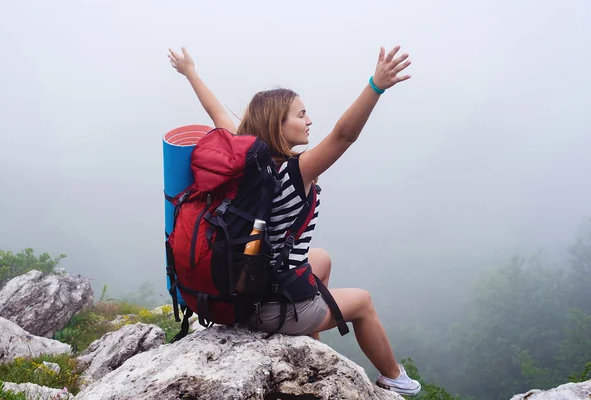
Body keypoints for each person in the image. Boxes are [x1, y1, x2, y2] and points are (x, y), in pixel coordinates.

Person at [167, 45, 421, 396]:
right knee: (362, 302)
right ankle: (395, 378)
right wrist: (375, 87)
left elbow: (216, 113)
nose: (309, 121)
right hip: (266, 307)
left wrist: (190, 71)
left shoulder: (243, 159)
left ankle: (311, 346)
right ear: (278, 124)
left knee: (321, 258)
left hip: (243, 287)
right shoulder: (293, 172)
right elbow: (344, 135)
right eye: (301, 115)